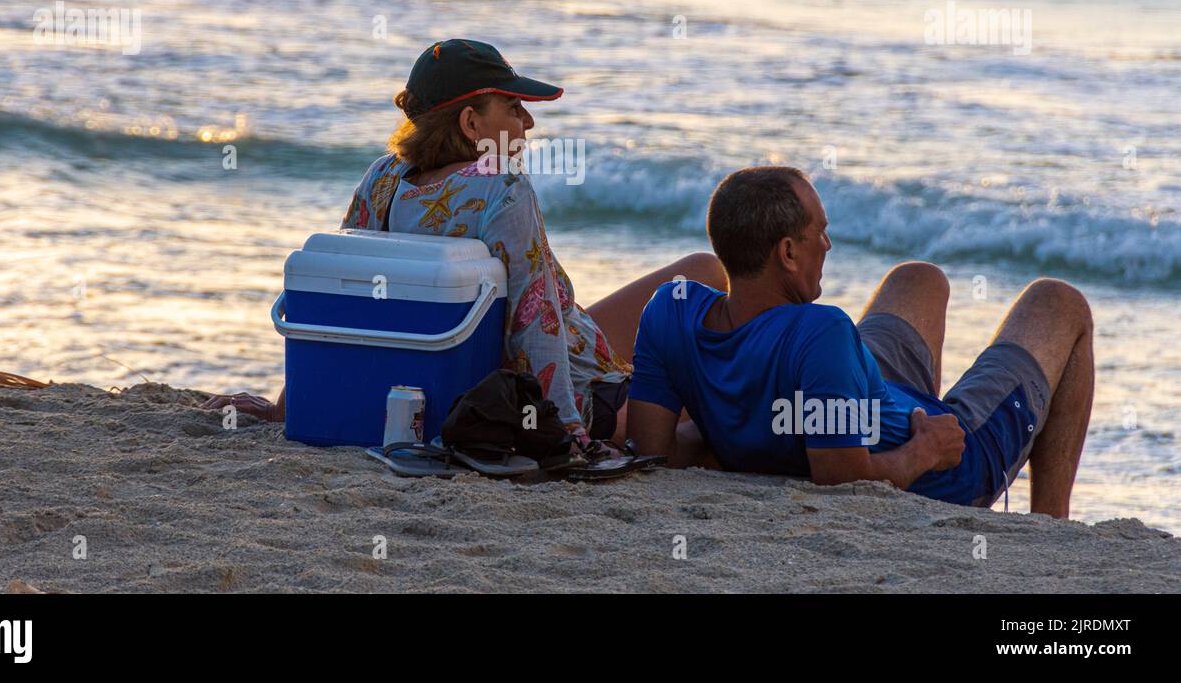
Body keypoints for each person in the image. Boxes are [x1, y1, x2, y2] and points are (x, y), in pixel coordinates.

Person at [205, 39, 727, 453]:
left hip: (478, 364)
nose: (529, 122)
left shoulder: (383, 180)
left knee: (699, 272)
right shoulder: (503, 188)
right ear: (471, 123)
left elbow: (346, 302)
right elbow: (534, 322)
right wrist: (569, 432)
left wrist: (287, 405)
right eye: (513, 107)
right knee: (707, 363)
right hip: (568, 389)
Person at [628, 166, 1095, 517]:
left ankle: (910, 413)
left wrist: (729, 429)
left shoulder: (671, 307)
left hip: (854, 389)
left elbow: (654, 451)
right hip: (951, 455)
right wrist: (927, 451)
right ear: (788, 253)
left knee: (919, 278)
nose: (828, 245)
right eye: (819, 232)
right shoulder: (822, 331)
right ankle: (1050, 524)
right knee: (1060, 302)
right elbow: (841, 479)